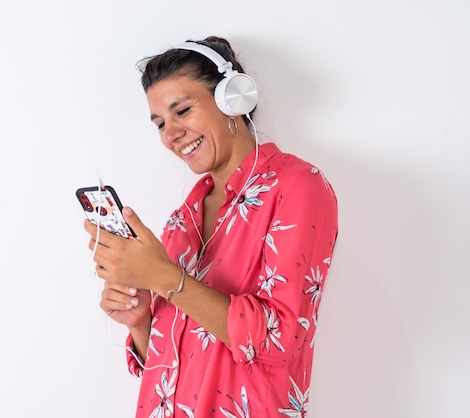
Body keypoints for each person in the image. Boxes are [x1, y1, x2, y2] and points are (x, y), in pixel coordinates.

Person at [83, 36, 338, 418]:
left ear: (231, 100)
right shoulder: (181, 219)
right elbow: (170, 358)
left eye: (182, 110)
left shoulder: (297, 186)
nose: (170, 135)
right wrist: (139, 320)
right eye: (160, 124)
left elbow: (281, 339)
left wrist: (164, 276)